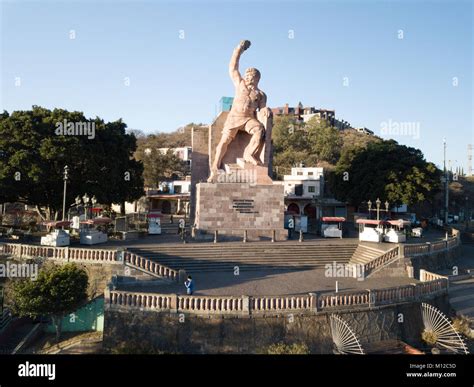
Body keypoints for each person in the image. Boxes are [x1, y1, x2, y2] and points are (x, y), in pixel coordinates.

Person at [207, 40, 270, 183]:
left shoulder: (260, 94)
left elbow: (263, 107)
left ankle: (249, 154)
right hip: (234, 117)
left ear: (257, 79)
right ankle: (215, 167)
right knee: (224, 141)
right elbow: (233, 68)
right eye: (247, 76)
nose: (248, 78)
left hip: (249, 119)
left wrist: (266, 109)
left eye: (251, 76)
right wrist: (239, 50)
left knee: (260, 130)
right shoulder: (240, 84)